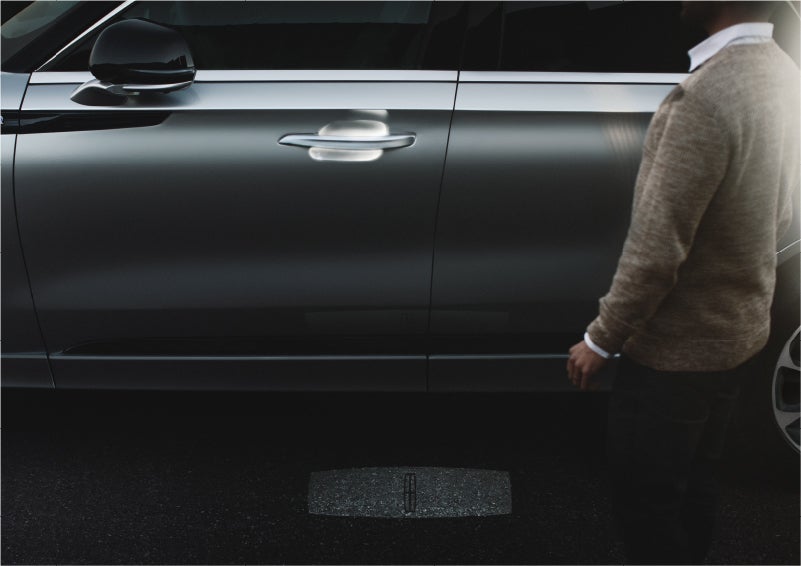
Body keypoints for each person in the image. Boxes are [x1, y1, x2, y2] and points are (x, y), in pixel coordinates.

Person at [566, 1, 799, 564]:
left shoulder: (703, 98)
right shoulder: (783, 73)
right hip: (737, 336)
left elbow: (655, 250)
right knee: (695, 483)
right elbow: (785, 213)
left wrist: (601, 339)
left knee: (646, 504)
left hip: (674, 354)